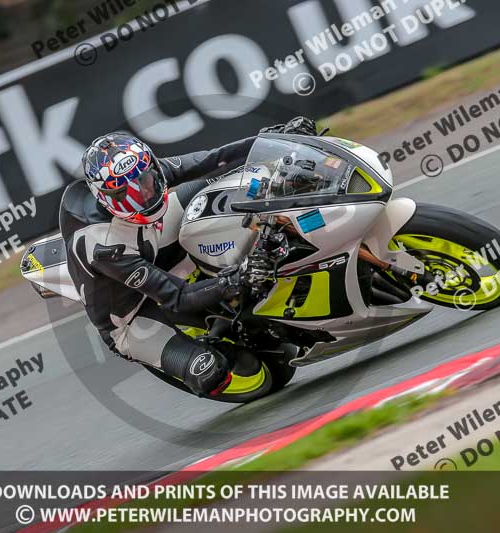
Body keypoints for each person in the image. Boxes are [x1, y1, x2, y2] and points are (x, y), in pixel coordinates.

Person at [59, 117, 317, 397]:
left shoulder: (145, 174)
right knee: (208, 373)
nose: (145, 195)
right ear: (106, 198)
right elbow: (177, 296)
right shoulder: (104, 246)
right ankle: (218, 346)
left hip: (149, 240)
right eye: (127, 195)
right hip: (131, 316)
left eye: (146, 181)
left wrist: (275, 140)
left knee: (218, 184)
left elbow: (214, 160)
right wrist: (238, 278)